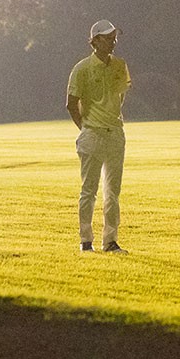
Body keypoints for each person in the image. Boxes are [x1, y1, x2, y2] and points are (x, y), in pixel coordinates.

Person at [67, 19, 132, 254]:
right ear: (94, 41)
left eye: (114, 36)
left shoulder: (120, 66)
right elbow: (71, 104)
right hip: (92, 134)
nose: (113, 40)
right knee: (89, 191)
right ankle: (86, 241)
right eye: (107, 37)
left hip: (115, 133)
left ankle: (110, 241)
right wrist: (85, 128)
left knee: (113, 192)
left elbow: (120, 98)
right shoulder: (82, 68)